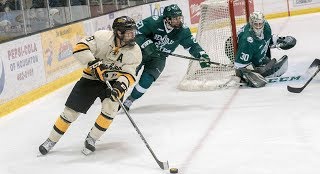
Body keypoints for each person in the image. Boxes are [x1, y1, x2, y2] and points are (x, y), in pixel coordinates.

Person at [39, 16, 142, 155]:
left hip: (113, 82)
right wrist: (93, 63)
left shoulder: (135, 51)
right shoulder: (102, 37)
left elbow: (129, 74)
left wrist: (120, 87)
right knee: (71, 112)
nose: (132, 35)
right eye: (129, 32)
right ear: (119, 32)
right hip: (90, 79)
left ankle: (92, 138)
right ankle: (51, 140)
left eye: (133, 32)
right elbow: (80, 47)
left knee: (110, 109)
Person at [123, 4, 211, 111]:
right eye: (175, 18)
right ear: (166, 19)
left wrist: (201, 54)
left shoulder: (182, 31)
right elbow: (136, 32)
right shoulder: (153, 22)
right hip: (141, 53)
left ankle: (130, 100)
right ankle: (117, 94)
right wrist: (147, 44)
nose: (178, 21)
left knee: (146, 81)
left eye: (179, 18)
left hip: (159, 58)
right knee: (128, 74)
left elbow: (192, 45)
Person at [232, 11, 296, 88]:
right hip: (245, 56)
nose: (258, 27)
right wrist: (250, 74)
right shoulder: (247, 40)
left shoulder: (266, 27)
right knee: (263, 71)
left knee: (272, 64)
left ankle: (262, 65)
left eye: (260, 24)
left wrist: (279, 41)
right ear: (251, 23)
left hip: (254, 54)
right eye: (256, 24)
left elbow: (265, 40)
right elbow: (239, 65)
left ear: (263, 22)